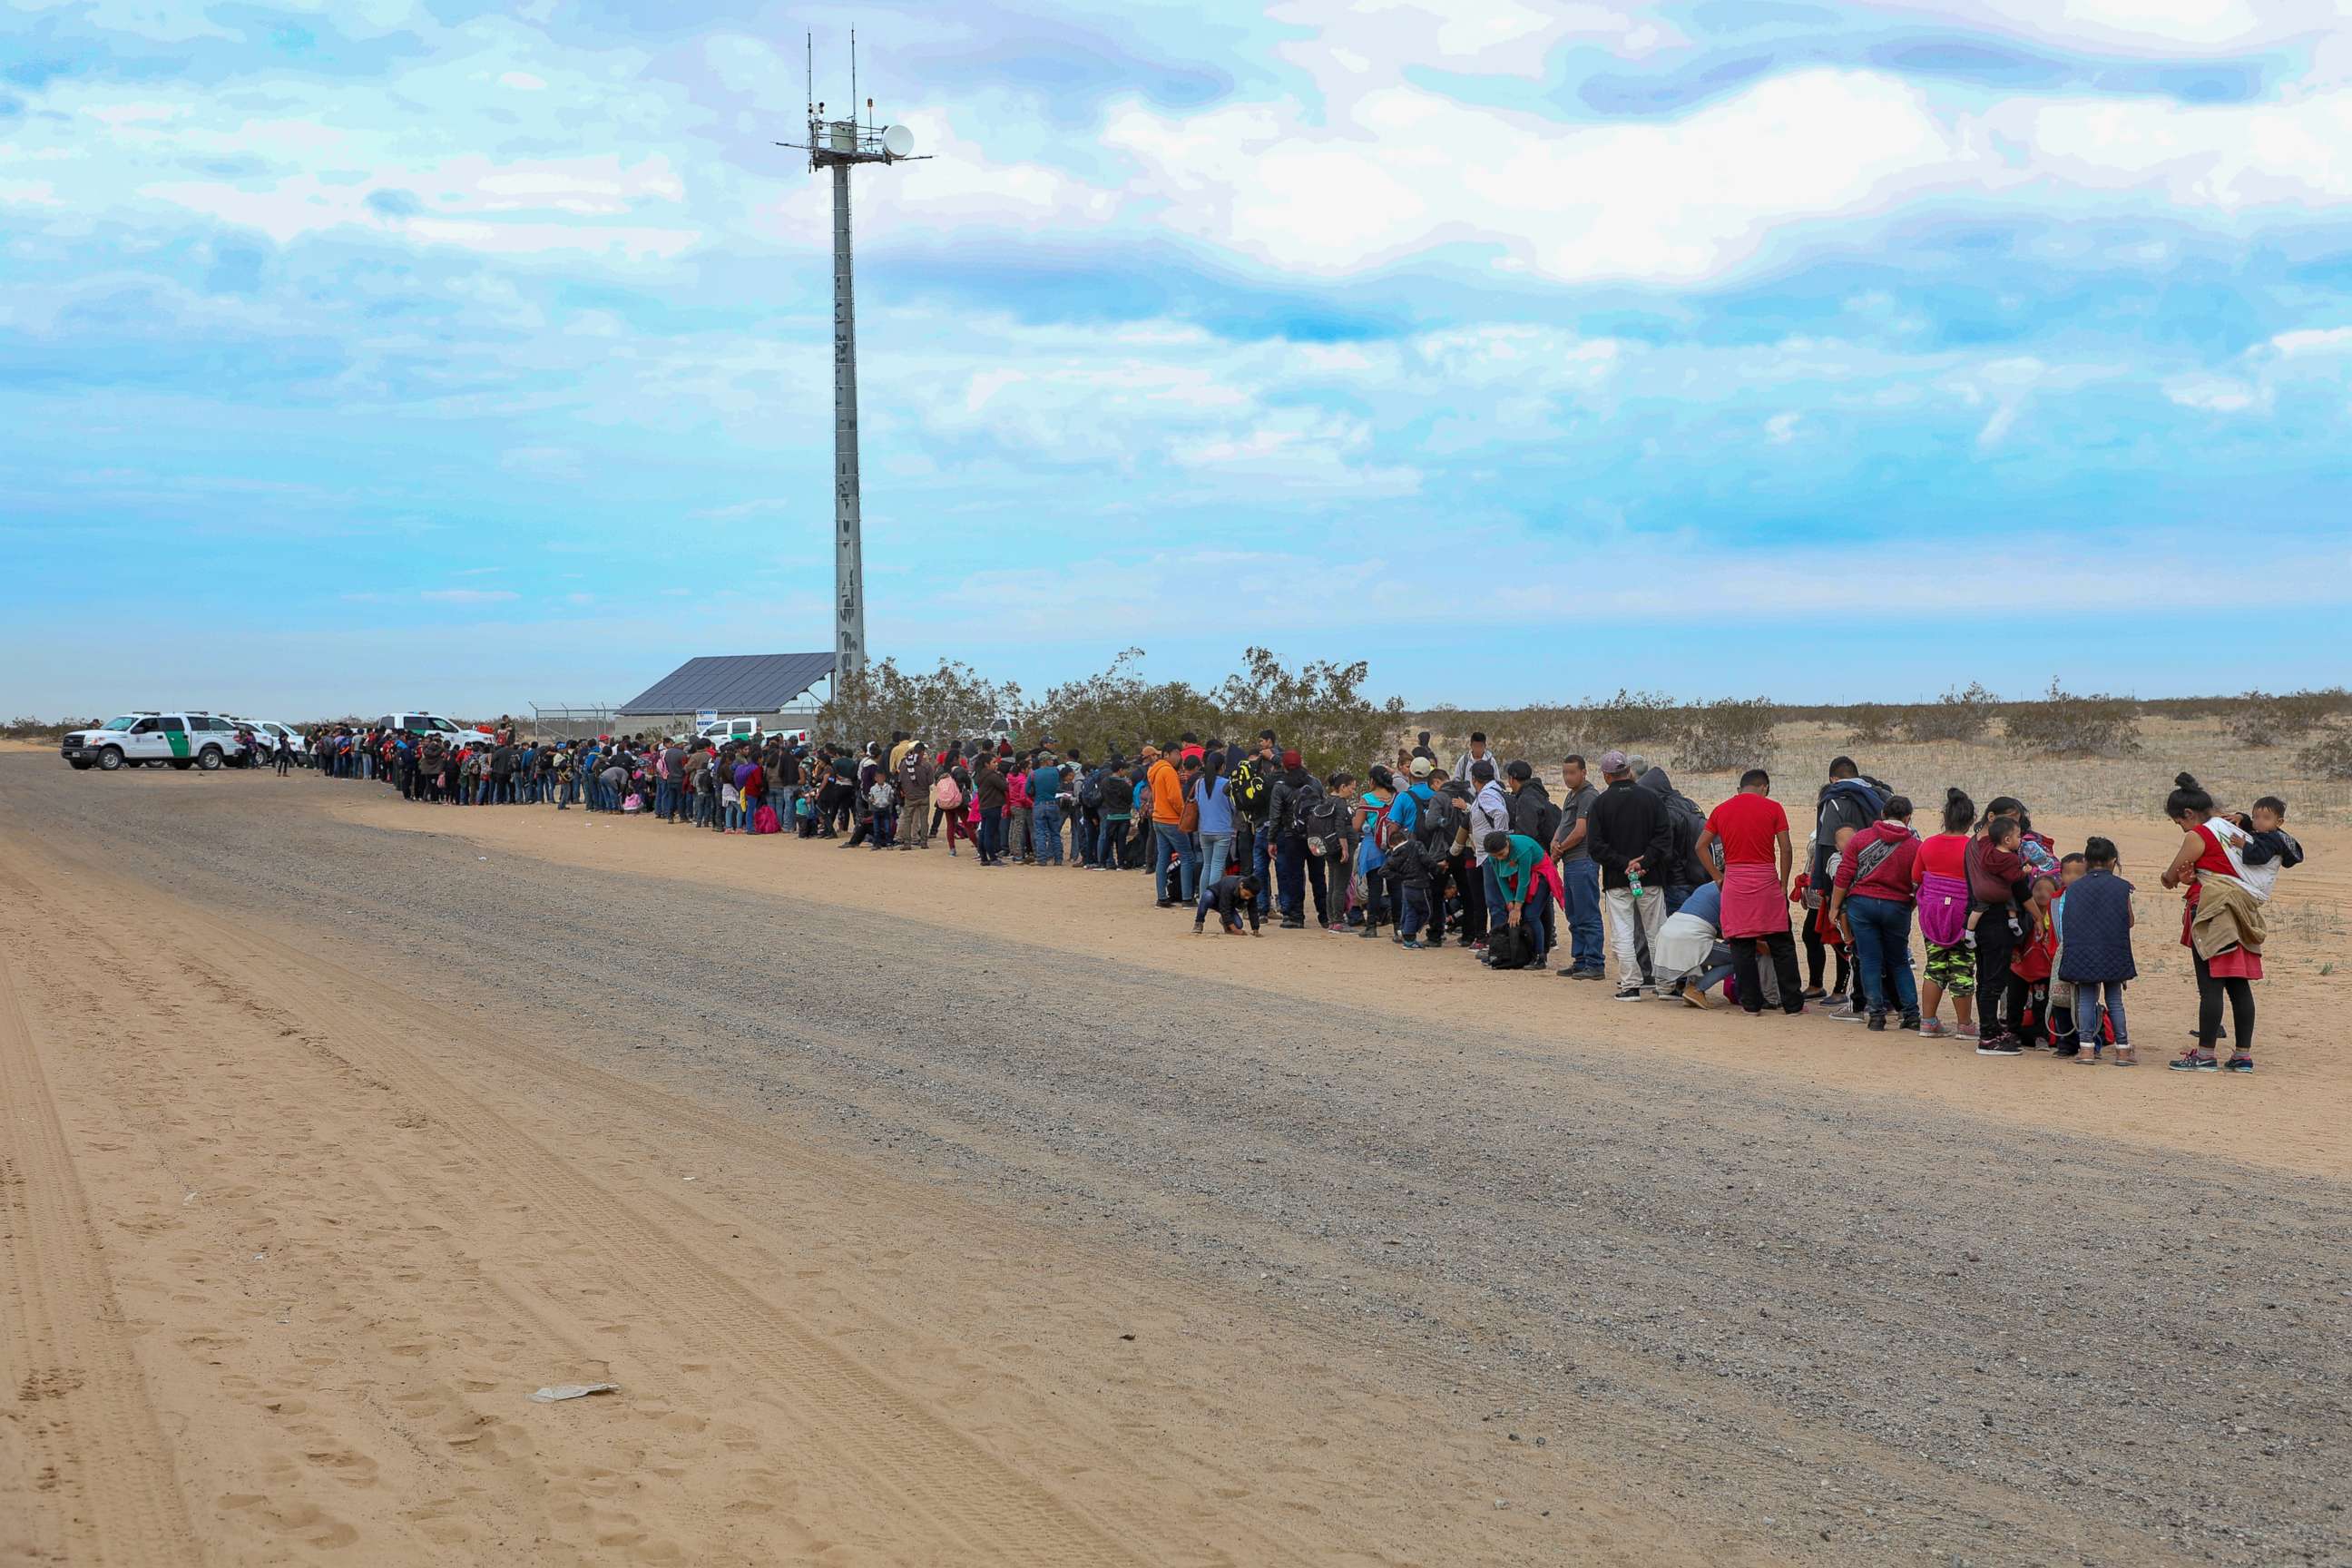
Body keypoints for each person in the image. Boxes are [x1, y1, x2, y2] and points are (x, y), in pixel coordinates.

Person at [2159, 772, 2263, 1073]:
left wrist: (2173, 878)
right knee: (2239, 986)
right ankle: (2243, 1056)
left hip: (2211, 912)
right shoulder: (2232, 829)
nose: (2180, 827)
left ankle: (2205, 1055)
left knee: (2211, 986)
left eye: (2179, 821)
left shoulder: (2198, 835)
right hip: (2242, 910)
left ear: (2188, 814)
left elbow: (2170, 876)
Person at [1695, 769, 1804, 1017]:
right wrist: (1783, 882)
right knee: (1782, 943)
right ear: (1764, 787)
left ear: (1740, 788)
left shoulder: (1721, 810)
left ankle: (1751, 1005)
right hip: (1766, 879)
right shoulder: (1773, 808)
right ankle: (1793, 1004)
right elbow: (1785, 849)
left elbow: (1700, 846)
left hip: (1735, 881)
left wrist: (1717, 876)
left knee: (1741, 945)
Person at [1828, 796, 1921, 1032]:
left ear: (1882, 814)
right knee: (1899, 961)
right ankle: (1910, 1014)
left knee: (1869, 960)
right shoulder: (1914, 846)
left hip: (1862, 905)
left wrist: (1835, 907)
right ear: (1908, 817)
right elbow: (1918, 882)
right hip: (1896, 907)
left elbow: (1845, 874)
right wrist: (1908, 907)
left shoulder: (1862, 838)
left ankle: (1876, 1015)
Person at [1586, 750, 1671, 999]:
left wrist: (1623, 863)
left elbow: (1596, 846)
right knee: (1657, 931)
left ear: (1606, 776)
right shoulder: (1651, 799)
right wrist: (1644, 862)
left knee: (1622, 932)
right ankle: (1665, 985)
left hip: (1617, 880)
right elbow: (1664, 837)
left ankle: (1630, 985)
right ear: (1629, 772)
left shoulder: (1599, 804)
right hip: (1650, 877)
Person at [2057, 836, 2136, 1065]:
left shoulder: (2074, 888)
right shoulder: (2122, 887)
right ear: (2113, 861)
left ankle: (2086, 1050)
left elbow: (2068, 920)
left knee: (2086, 1001)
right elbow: (2129, 921)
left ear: (2087, 861)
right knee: (2115, 1001)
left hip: (2083, 951)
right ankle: (2122, 1050)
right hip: (2113, 950)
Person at [1966, 811, 2032, 1054]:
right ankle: (1988, 1037)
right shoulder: (2010, 859)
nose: (2020, 838)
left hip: (1981, 919)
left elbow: (1982, 836)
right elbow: (2019, 886)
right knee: (1993, 982)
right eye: (2017, 834)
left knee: (1984, 980)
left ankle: (1991, 1028)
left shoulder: (1981, 849)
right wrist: (2025, 871)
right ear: (2006, 839)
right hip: (1998, 920)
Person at [1548, 754, 1604, 981]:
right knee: (1574, 913)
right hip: (1571, 862)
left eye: (1572, 773)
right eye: (1565, 773)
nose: (1568, 777)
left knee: (1587, 913)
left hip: (1583, 861)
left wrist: (1559, 848)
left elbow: (1581, 831)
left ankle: (1594, 963)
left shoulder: (1589, 795)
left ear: (1584, 772)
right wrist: (1555, 841)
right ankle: (1580, 960)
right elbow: (1564, 824)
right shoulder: (1572, 796)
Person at [1480, 829, 1554, 970]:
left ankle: (1540, 956)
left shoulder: (1522, 849)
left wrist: (1517, 908)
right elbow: (1501, 879)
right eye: (1495, 856)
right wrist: (1510, 903)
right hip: (1520, 877)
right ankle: (1524, 953)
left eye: (1502, 854)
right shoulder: (1493, 856)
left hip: (1540, 874)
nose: (1500, 859)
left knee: (1531, 916)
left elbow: (1524, 879)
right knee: (1518, 916)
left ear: (1507, 843)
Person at [1195, 751, 1238, 889]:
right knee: (1217, 865)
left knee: (1207, 865)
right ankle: (1212, 896)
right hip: (1222, 830)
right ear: (1223, 766)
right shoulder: (1227, 784)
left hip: (1203, 829)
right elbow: (1234, 806)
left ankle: (1203, 897)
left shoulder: (1199, 783)